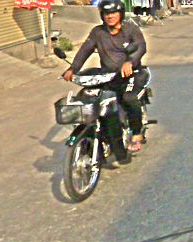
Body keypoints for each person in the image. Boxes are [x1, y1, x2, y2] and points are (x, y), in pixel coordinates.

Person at [62, 0, 148, 154]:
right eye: (107, 13)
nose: (110, 16)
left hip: (132, 74)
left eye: (114, 13)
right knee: (90, 98)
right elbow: (85, 50)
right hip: (108, 76)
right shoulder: (98, 32)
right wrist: (73, 68)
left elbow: (141, 47)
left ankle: (136, 134)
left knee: (128, 98)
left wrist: (130, 62)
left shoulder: (131, 29)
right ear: (102, 15)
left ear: (120, 14)